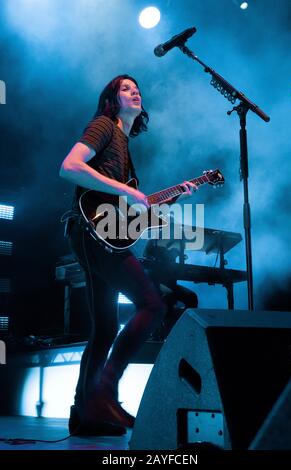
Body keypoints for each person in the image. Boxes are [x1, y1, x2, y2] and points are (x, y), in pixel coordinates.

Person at [59, 74, 197, 436]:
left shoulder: (123, 142)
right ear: (111, 98)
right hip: (92, 233)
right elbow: (70, 167)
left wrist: (174, 195)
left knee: (104, 328)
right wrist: (125, 190)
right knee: (152, 305)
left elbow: (130, 208)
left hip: (100, 233)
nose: (134, 90)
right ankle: (104, 393)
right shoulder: (104, 125)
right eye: (125, 87)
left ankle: (84, 415)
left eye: (136, 88)